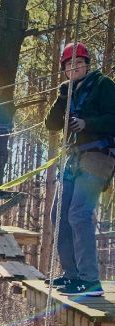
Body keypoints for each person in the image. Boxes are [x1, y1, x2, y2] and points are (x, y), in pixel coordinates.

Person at [45, 42, 115, 297]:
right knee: (59, 214)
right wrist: (62, 97)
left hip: (98, 156)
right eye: (68, 65)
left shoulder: (103, 86)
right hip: (75, 158)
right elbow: (51, 124)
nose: (73, 68)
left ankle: (90, 280)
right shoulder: (69, 93)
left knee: (78, 213)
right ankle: (72, 275)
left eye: (78, 63)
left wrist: (88, 123)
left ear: (87, 65)